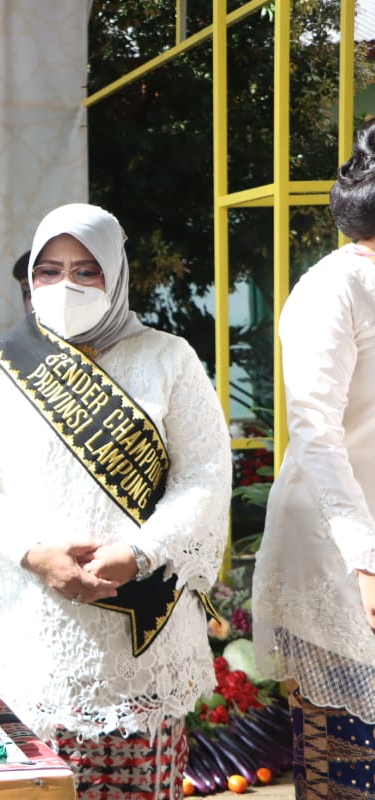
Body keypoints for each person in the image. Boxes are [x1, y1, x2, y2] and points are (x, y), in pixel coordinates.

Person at [0, 203, 230, 797]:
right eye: (48, 271)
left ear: (116, 275)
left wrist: (143, 550)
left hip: (140, 637)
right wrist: (32, 553)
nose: (65, 285)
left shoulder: (168, 358)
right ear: (29, 280)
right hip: (31, 636)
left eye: (86, 271)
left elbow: (203, 474)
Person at [252, 117, 375, 799]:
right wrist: (365, 558)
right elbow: (317, 433)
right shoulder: (334, 288)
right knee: (346, 772)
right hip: (339, 554)